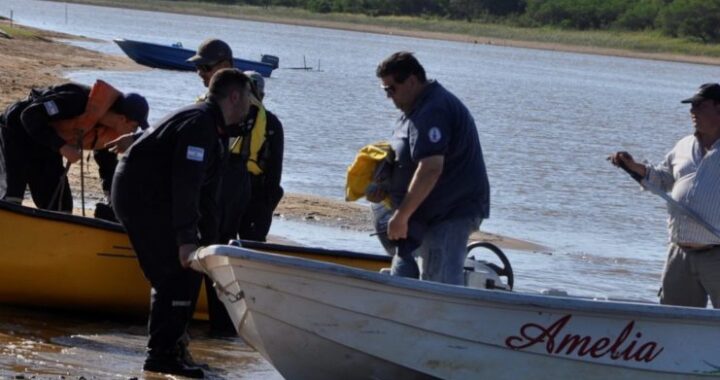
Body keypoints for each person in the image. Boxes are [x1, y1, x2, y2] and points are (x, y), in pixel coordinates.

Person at [111, 69, 252, 378]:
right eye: (248, 99)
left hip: (155, 196)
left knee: (191, 269)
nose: (250, 107)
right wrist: (187, 239)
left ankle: (174, 347)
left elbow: (206, 196)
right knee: (176, 272)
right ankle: (161, 355)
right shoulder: (200, 124)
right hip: (141, 196)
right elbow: (186, 184)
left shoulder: (214, 127)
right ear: (234, 96)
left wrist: (211, 247)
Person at [371, 51, 490, 285]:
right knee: (382, 213)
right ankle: (406, 283)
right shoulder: (413, 110)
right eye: (385, 90)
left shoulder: (433, 109)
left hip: (452, 212)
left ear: (412, 81)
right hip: (426, 212)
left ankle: (441, 309)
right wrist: (385, 185)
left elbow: (431, 168)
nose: (388, 96)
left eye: (391, 89)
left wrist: (402, 215)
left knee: (439, 284)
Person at [610, 83, 720, 308]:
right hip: (679, 253)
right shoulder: (683, 145)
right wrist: (633, 166)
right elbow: (662, 179)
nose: (692, 112)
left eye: (699, 106)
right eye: (692, 106)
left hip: (716, 254)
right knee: (674, 319)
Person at [0, 80, 148, 213]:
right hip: (16, 130)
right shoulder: (77, 100)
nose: (133, 133)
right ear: (122, 119)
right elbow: (29, 115)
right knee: (12, 198)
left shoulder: (108, 132)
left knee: (61, 208)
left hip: (47, 142)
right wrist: (62, 146)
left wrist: (113, 201)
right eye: (134, 127)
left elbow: (107, 166)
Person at [187, 38, 246, 336]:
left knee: (216, 264)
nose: (200, 72)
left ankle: (222, 331)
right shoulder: (205, 107)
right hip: (207, 194)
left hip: (227, 199)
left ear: (224, 66)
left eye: (205, 67)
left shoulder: (243, 106)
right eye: (197, 67)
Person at [236, 70, 284, 242]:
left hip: (232, 188)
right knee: (253, 242)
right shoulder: (271, 123)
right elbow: (275, 169)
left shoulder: (226, 115)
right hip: (255, 191)